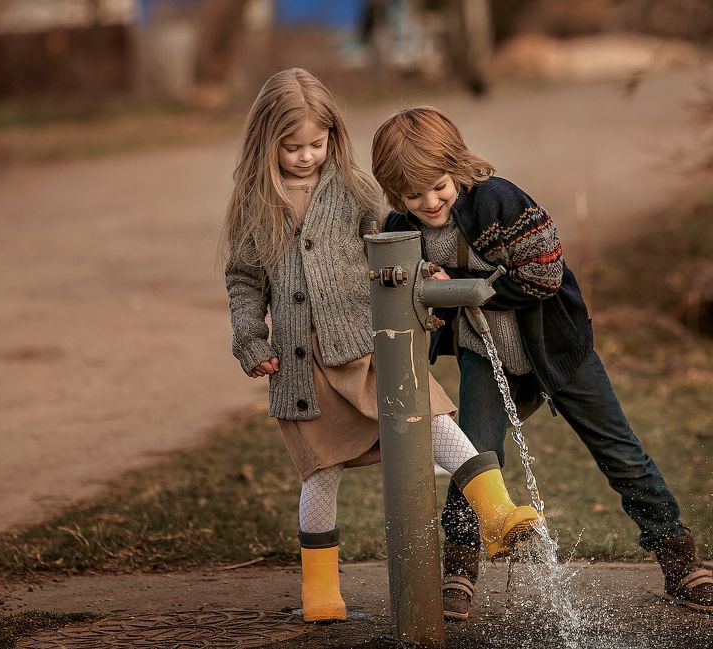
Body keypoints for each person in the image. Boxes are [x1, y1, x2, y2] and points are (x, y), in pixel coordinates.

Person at [372, 106, 713, 619]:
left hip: (557, 349)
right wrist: (430, 298)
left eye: (439, 187)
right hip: (485, 354)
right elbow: (412, 303)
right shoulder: (402, 230)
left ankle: (680, 560)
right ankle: (458, 569)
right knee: (476, 459)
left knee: (620, 450)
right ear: (394, 193)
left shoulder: (500, 201)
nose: (429, 203)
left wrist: (461, 286)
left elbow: (544, 274)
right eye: (413, 195)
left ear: (456, 166)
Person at [219, 71, 540, 624]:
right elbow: (244, 280)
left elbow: (395, 239)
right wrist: (250, 339)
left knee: (434, 418)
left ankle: (496, 514)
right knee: (320, 471)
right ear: (265, 144)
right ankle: (321, 590)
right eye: (291, 147)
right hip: (303, 366)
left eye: (316, 145)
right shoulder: (256, 205)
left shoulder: (351, 188)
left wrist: (424, 278)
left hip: (371, 347)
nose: (304, 157)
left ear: (333, 137)